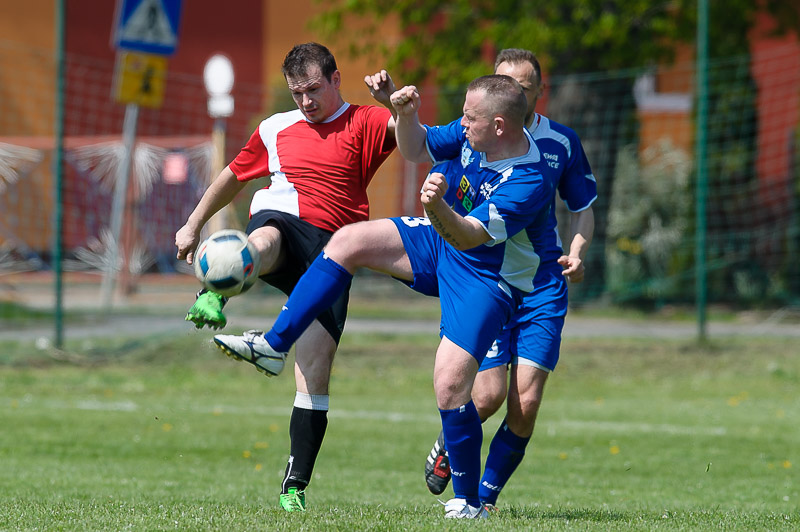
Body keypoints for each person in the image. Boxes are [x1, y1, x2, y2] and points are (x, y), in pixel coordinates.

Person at [213, 74, 553, 518]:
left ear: (501, 126)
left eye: (470, 117)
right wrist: (405, 115)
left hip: (487, 277)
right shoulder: (475, 130)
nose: (462, 123)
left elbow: (470, 236)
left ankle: (469, 504)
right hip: (439, 243)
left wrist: (436, 208)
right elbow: (415, 148)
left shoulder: (528, 178)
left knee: (451, 385)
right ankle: (274, 346)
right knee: (348, 242)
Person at [174, 42, 396, 513]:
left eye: (314, 90)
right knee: (267, 241)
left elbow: (416, 138)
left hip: (336, 251)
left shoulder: (366, 121)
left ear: (336, 80)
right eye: (297, 93)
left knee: (314, 373)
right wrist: (193, 224)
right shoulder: (275, 128)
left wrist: (393, 103)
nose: (306, 102)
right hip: (284, 218)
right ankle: (213, 293)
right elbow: (233, 177)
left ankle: (294, 487)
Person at [422, 48, 597, 508]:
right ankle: (453, 447)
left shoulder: (560, 142)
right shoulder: (475, 134)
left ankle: (485, 499)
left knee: (527, 402)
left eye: (522, 85)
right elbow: (418, 147)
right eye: (503, 82)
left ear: (537, 91)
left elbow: (581, 211)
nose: (512, 91)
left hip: (541, 284)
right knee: (487, 395)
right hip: (490, 277)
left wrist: (576, 252)